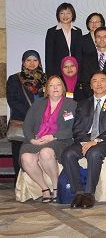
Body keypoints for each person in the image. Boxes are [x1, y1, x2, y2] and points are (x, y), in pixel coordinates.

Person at [61, 71, 106, 209]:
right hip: (84, 141)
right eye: (95, 81)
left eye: (102, 80)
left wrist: (96, 141)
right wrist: (84, 141)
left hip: (105, 142)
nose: (99, 83)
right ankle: (78, 193)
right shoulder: (82, 104)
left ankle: (89, 194)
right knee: (68, 154)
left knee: (93, 153)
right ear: (90, 85)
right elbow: (77, 128)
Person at [19, 75, 76, 203]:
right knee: (26, 158)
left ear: (63, 88)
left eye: (58, 85)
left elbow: (72, 129)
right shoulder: (38, 103)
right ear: (47, 89)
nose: (55, 88)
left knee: (46, 153)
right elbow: (27, 125)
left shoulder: (71, 104)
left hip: (59, 140)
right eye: (51, 85)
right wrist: (32, 140)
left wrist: (53, 136)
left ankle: (55, 188)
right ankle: (45, 189)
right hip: (37, 140)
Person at [7, 50, 47, 179]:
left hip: (41, 124)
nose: (31, 63)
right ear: (23, 62)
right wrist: (31, 117)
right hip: (22, 121)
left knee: (37, 155)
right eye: (28, 60)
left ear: (39, 62)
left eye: (35, 60)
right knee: (19, 154)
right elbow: (12, 101)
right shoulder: (15, 79)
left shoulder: (45, 79)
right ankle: (20, 185)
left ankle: (36, 184)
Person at [45, 2, 83, 77]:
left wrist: (79, 72)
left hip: (74, 71)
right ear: (58, 15)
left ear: (73, 15)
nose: (65, 16)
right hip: (58, 71)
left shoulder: (78, 31)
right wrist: (50, 75)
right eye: (62, 13)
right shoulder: (52, 32)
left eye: (68, 13)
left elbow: (79, 54)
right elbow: (49, 56)